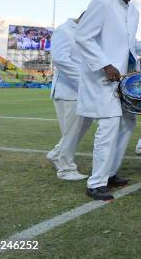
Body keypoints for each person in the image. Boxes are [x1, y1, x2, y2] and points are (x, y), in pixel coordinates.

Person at [75, 0, 141, 201]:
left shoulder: (134, 11)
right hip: (103, 78)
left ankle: (110, 172)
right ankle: (95, 183)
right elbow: (83, 36)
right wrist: (105, 64)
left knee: (128, 122)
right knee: (108, 126)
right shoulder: (101, 4)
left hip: (124, 80)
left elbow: (128, 44)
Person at [46, 12, 93, 181]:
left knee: (79, 128)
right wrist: (84, 82)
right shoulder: (64, 31)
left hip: (84, 90)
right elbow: (60, 59)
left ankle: (56, 153)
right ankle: (65, 168)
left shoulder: (85, 33)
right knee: (71, 131)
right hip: (68, 91)